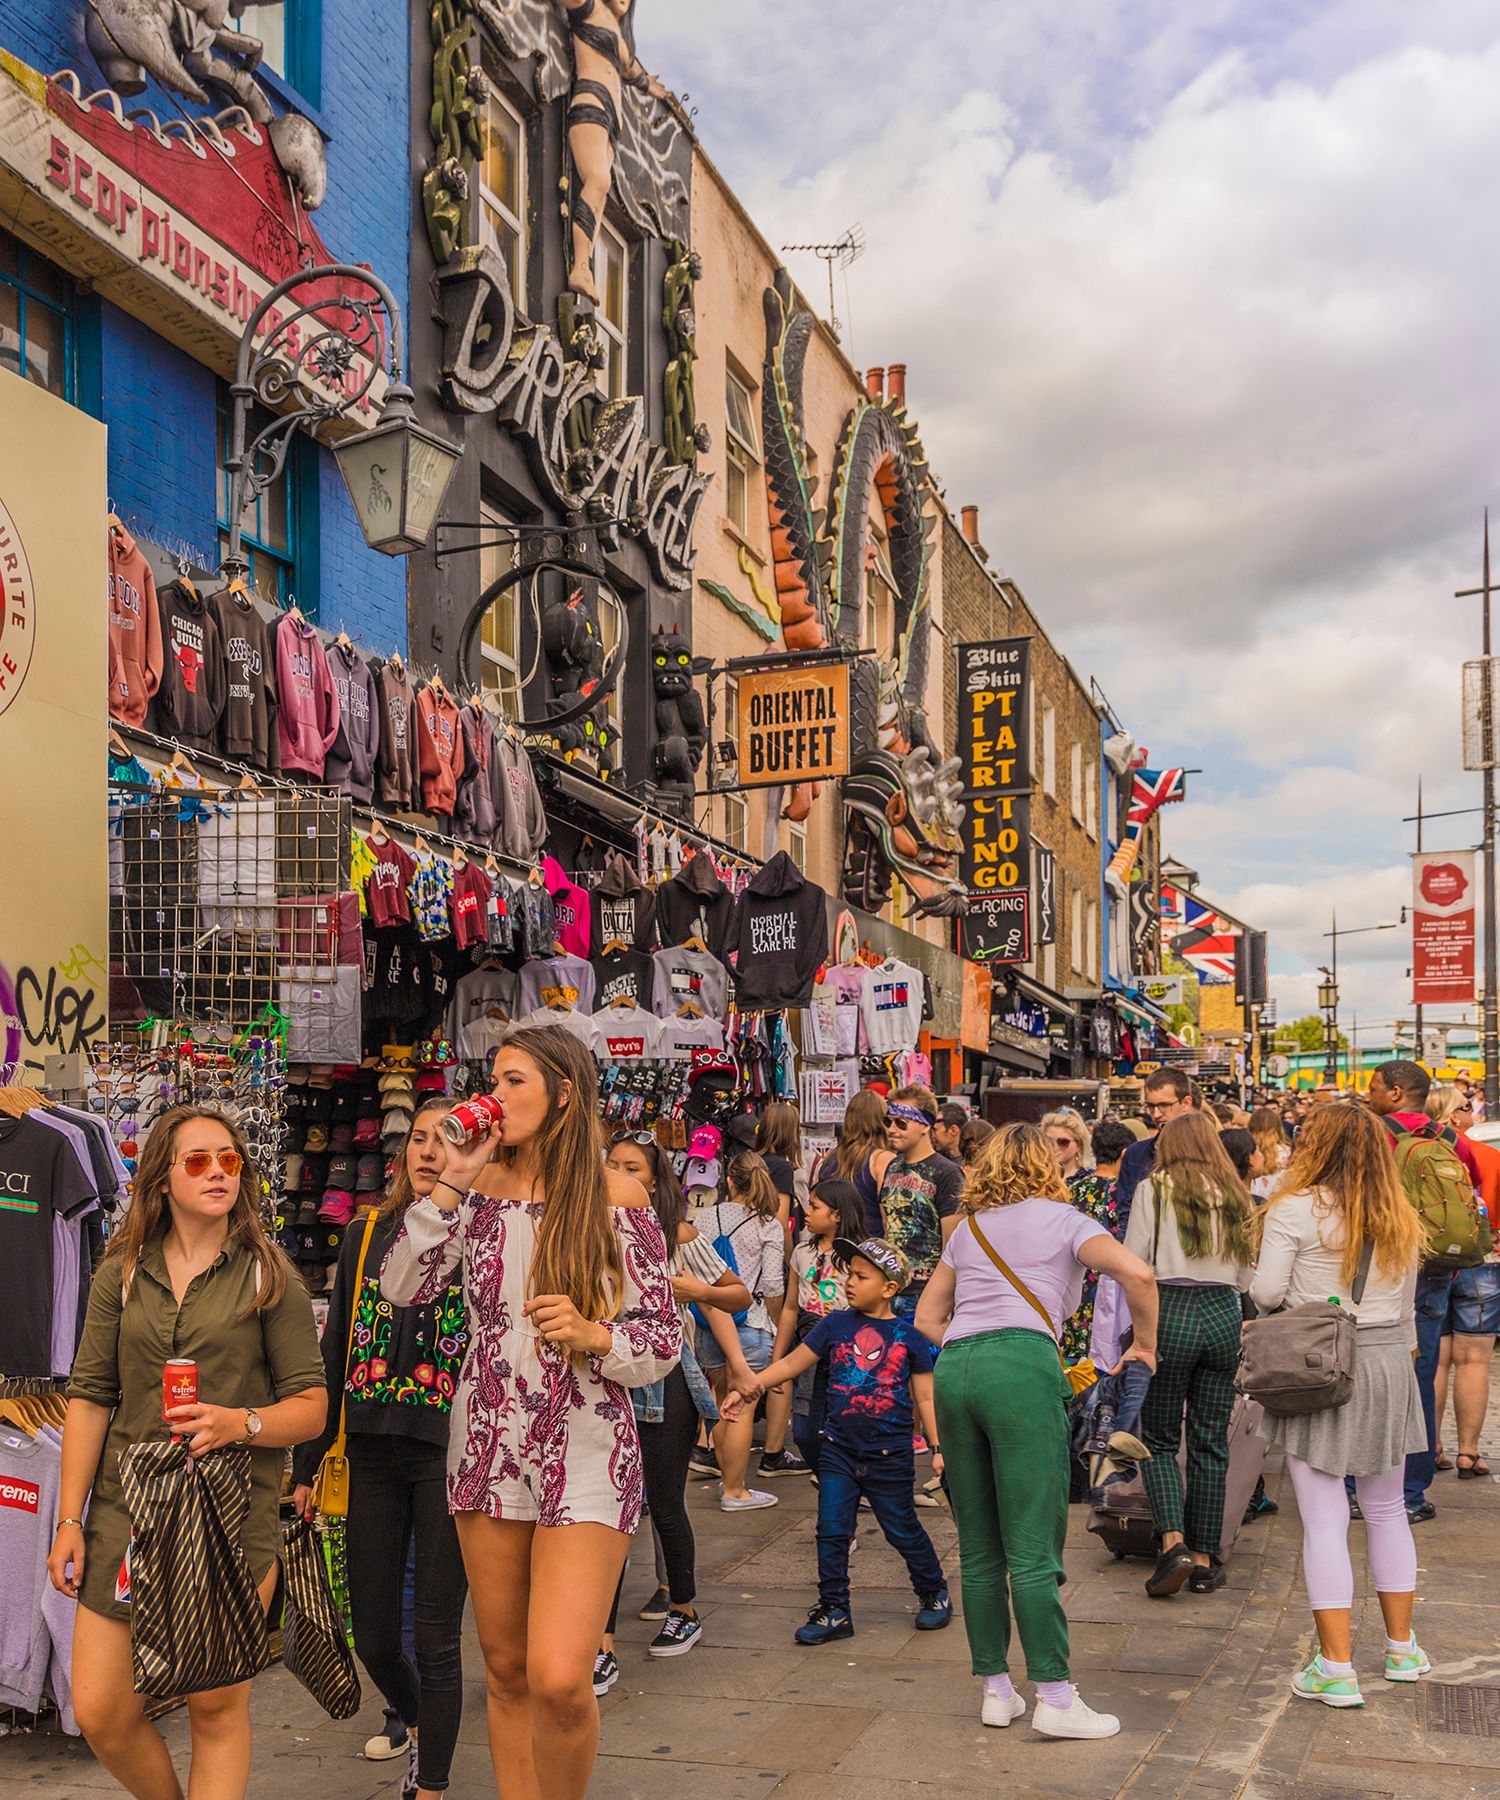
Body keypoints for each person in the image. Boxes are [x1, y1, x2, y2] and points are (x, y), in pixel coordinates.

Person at [381, 1025, 680, 1800]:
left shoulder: (617, 1195)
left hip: (586, 1445)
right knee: (506, 1672)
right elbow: (401, 1288)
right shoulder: (474, 1195)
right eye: (493, 1079)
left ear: (564, 1094)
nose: (496, 1096)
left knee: (557, 1679)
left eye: (515, 1081)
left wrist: (593, 1334)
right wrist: (453, 1180)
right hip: (485, 1442)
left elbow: (661, 1336)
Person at [50, 1107, 326, 1797]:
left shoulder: (270, 1276)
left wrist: (243, 1423)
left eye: (229, 1160)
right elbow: (89, 1396)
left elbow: (311, 1407)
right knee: (101, 1710)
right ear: (162, 1181)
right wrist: (67, 1519)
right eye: (198, 1161)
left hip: (230, 1519)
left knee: (214, 1706)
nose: (217, 1174)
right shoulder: (122, 1271)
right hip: (126, 1516)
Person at [914, 1123, 1159, 1741]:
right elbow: (1139, 1276)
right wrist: (1146, 1346)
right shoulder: (1068, 1220)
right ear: (1047, 1165)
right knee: (1032, 1543)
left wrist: (971, 1350)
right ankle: (1054, 1693)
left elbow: (926, 1316)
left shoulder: (967, 1229)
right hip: (1022, 1366)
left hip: (956, 1369)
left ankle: (997, 1691)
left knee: (978, 1544)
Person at [288, 1097, 469, 1800]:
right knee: (373, 1636)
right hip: (367, 1446)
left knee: (437, 1637)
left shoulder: (477, 1237)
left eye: (446, 1140)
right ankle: (426, 1726)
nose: (429, 1151)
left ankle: (433, 1785)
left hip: (445, 1453)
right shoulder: (365, 1234)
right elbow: (333, 1352)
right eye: (420, 1139)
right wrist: (306, 1467)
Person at [1250, 1102, 1430, 1707]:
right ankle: (1402, 1649)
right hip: (1385, 1360)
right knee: (1386, 1510)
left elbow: (1267, 1292)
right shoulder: (1400, 1213)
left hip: (1318, 1360)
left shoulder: (1294, 1210)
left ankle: (1336, 1666)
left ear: (1314, 1148)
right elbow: (1406, 1309)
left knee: (1324, 1517)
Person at [727, 1238, 952, 1645]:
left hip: (891, 1455)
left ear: (889, 1288)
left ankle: (933, 1591)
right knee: (831, 1529)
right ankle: (834, 1609)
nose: (850, 1282)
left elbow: (925, 1397)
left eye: (862, 1276)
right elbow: (794, 1363)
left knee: (901, 1529)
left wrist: (937, 1448)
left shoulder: (910, 1335)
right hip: (838, 1451)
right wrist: (749, 1387)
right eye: (849, 1273)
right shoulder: (834, 1325)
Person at [593, 1132, 752, 1688]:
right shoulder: (583, 1226)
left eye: (631, 1166)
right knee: (602, 1513)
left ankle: (683, 1611)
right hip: (599, 1382)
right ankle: (600, 1643)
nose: (617, 1173)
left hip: (665, 1386)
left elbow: (739, 1295)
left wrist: (690, 1289)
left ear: (656, 1180)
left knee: (664, 1504)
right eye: (610, 1164)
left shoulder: (675, 1233)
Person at [1124, 1112, 1254, 1598]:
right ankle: (1204, 1558)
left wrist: (1139, 1333)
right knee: (1209, 1440)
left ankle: (1172, 1542)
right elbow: (1247, 1276)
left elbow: (1135, 1263)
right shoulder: (1237, 1194)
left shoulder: (1153, 1190)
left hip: (1169, 1306)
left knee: (1156, 1437)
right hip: (1222, 1311)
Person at [1367, 1059, 1480, 1521]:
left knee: (1372, 1376)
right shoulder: (1450, 1139)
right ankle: (1412, 1492)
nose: (1368, 1095)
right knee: (1421, 1374)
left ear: (1395, 1093)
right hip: (1437, 1269)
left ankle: (1366, 1487)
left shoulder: (1378, 1137)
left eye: (1373, 1087)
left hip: (1387, 1269)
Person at [694, 1151, 788, 1511]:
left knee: (719, 1405)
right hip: (752, 1323)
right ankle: (735, 1490)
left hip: (710, 1324)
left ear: (729, 1181)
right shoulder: (767, 1224)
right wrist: (780, 1326)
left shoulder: (704, 1219)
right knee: (744, 1408)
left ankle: (726, 1480)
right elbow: (774, 1285)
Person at [1423, 1086, 1498, 1480]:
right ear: (1453, 1115)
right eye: (1468, 1108)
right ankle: (1468, 1451)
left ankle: (1431, 1446)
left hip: (1431, 1262)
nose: (1473, 1114)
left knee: (1435, 1358)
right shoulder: (1487, 1156)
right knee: (1474, 1361)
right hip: (1481, 1263)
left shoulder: (1417, 1156)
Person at [770, 1176, 864, 1472]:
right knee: (804, 1431)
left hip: (849, 1351)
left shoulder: (860, 1256)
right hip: (809, 1348)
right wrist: (778, 1358)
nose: (806, 1212)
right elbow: (789, 1308)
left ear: (837, 1214)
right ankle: (829, 1475)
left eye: (814, 1206)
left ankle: (843, 1481)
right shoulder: (801, 1252)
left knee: (847, 1422)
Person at [753, 1100, 810, 1475]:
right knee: (782, 1356)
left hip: (743, 1266)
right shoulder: (782, 1168)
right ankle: (774, 1452)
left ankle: (711, 1444)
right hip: (768, 1268)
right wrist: (793, 1264)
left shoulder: (750, 1162)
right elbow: (782, 1223)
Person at [878, 1085, 964, 1319]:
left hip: (925, 1295)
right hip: (890, 1288)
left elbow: (953, 1246)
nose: (892, 1130)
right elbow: (887, 1226)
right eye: (889, 1122)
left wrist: (944, 1303)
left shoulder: (947, 1173)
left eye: (901, 1123)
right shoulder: (892, 1166)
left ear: (925, 1125)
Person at [1043, 1111, 1119, 1363]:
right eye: (1047, 1141)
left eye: (1062, 1142)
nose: (1055, 1148)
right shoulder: (1034, 1182)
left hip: (1085, 1277)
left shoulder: (1090, 1183)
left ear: (1078, 1146)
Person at [1115, 1068, 1195, 1230]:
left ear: (1186, 1103)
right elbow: (1126, 1212)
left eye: (1165, 1105)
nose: (1156, 1114)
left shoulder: (1206, 1150)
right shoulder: (1135, 1153)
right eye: (1150, 1106)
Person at [832, 1088, 896, 1235]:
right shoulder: (883, 1159)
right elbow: (888, 1215)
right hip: (870, 1248)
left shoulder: (828, 1158)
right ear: (882, 1120)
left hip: (834, 1247)